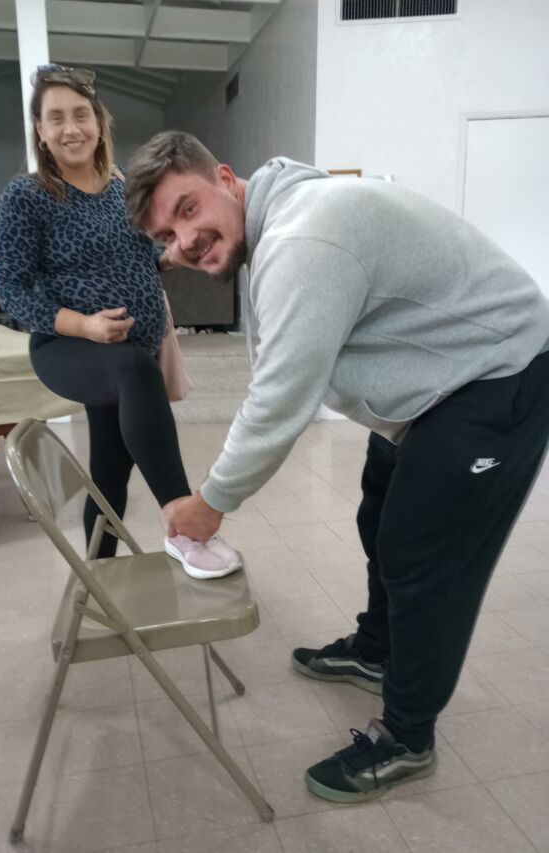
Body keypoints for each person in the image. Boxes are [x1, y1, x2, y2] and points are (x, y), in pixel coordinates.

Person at [124, 130, 549, 801]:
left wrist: (210, 501)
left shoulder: (301, 240)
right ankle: (378, 651)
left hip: (498, 373)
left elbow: (280, 398)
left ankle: (407, 737)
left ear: (225, 179)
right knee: (379, 515)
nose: (186, 241)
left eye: (187, 209)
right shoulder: (283, 220)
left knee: (424, 559)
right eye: (167, 238)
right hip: (438, 383)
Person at [0, 68, 240, 579]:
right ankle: (185, 527)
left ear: (99, 122)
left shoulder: (122, 186)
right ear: (40, 130)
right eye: (56, 118)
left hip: (130, 349)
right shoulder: (26, 197)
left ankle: (97, 576)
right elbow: (14, 290)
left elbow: (139, 260)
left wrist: (173, 256)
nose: (71, 128)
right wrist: (84, 326)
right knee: (133, 371)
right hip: (65, 348)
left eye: (80, 115)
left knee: (109, 474)